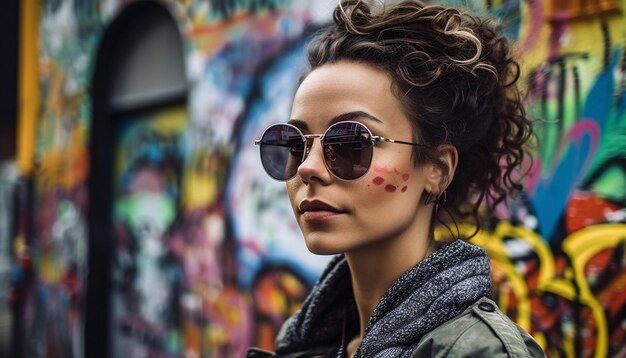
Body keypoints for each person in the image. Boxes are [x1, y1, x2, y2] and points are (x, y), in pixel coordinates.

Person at [250, 0, 545, 356]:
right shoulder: (306, 344)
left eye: (349, 144)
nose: (307, 168)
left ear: (437, 169)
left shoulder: (480, 352)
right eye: (295, 144)